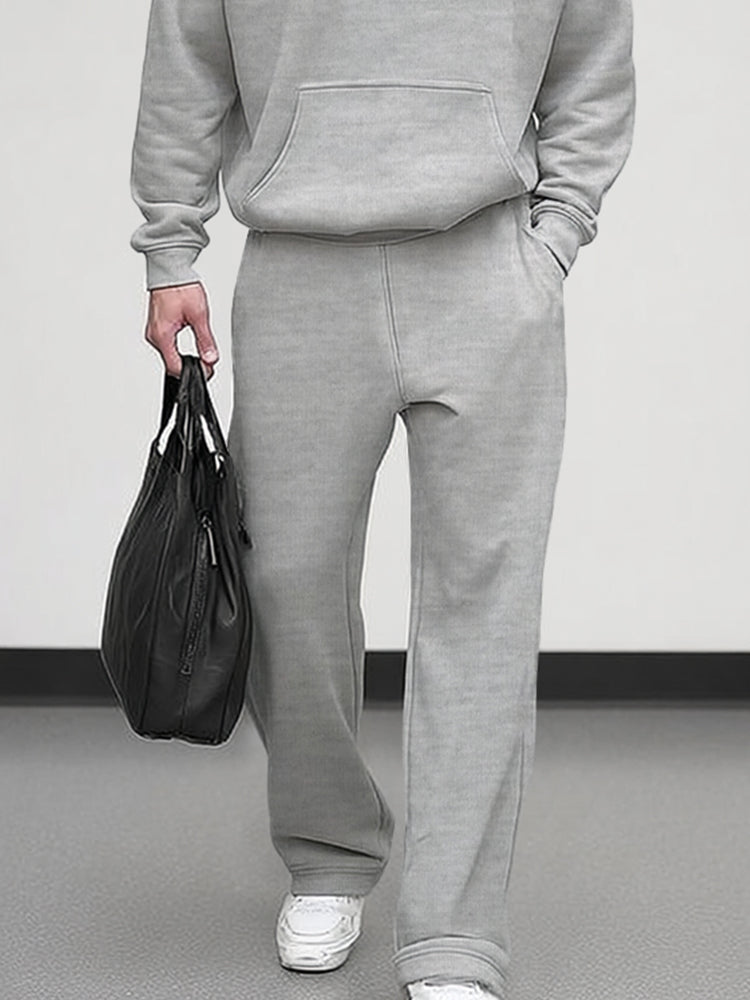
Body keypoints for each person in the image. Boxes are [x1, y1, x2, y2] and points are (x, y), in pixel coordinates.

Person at [129, 2, 636, 998]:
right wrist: (170, 248)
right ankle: (329, 850)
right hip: (298, 265)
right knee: (284, 579)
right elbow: (188, 44)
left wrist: (555, 236)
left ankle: (456, 931)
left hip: (489, 264)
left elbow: (593, 59)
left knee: (484, 600)